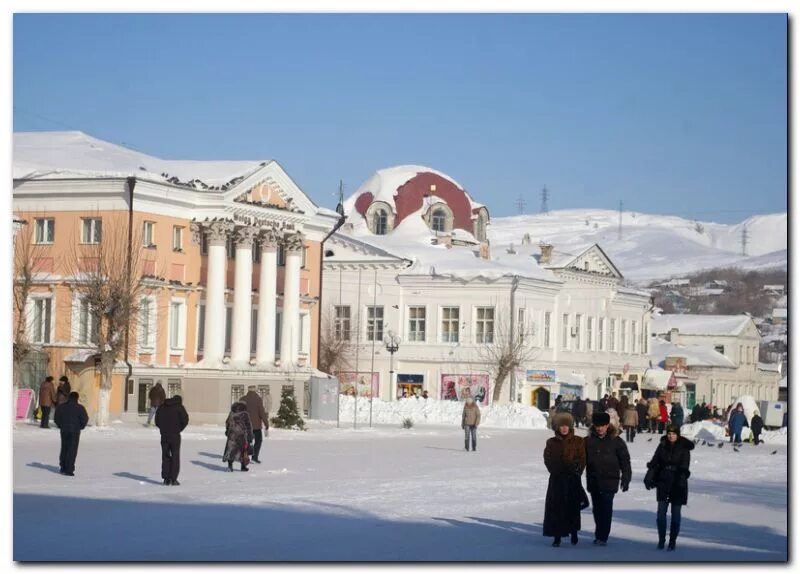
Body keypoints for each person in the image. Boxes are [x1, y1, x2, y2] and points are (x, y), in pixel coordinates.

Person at [585, 411, 631, 546]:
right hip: (594, 480)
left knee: (606, 508)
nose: (600, 429)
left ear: (607, 425)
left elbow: (625, 460)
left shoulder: (616, 441)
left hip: (610, 480)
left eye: (603, 426)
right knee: (597, 509)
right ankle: (599, 532)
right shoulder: (588, 441)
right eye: (597, 426)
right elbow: (580, 459)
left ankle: (602, 536)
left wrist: (626, 477)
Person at [644, 424, 694, 550]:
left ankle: (672, 541)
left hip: (678, 483)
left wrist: (681, 478)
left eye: (673, 434)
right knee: (661, 512)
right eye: (669, 433)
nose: (671, 436)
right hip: (663, 482)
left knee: (675, 513)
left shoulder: (684, 447)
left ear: (678, 435)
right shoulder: (662, 445)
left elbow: (684, 465)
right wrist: (649, 477)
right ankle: (661, 539)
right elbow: (655, 462)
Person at [543, 412, 588, 547]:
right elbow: (548, 458)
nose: (564, 428)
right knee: (556, 508)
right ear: (557, 427)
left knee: (572, 507)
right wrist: (555, 470)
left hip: (572, 479)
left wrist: (576, 471)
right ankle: (557, 536)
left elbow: (582, 458)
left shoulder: (578, 441)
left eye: (566, 426)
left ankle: (573, 532)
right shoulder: (551, 442)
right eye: (561, 426)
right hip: (556, 480)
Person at [155, 395, 189, 485]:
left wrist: (163, 429)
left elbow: (157, 421)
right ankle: (173, 479)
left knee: (165, 456)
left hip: (164, 435)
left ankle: (166, 478)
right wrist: (178, 429)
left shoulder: (162, 406)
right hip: (175, 436)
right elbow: (185, 420)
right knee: (175, 456)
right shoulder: (179, 407)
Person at [53, 391, 88, 476]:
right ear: (77, 398)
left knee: (64, 448)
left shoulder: (61, 407)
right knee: (72, 450)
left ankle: (63, 467)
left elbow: (56, 418)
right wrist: (80, 426)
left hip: (64, 430)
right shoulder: (80, 408)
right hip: (75, 431)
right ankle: (69, 469)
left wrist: (60, 425)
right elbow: (84, 419)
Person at [223, 402, 253, 471]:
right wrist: (250, 435)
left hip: (232, 434)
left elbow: (227, 422)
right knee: (243, 451)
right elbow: (249, 425)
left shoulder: (231, 413)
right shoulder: (245, 414)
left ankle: (230, 466)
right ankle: (243, 467)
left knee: (231, 450)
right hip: (242, 435)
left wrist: (228, 431)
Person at [243, 386, 268, 464]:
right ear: (255, 390)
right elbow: (262, 413)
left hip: (246, 425)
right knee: (258, 441)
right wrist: (266, 423)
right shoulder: (258, 399)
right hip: (256, 426)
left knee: (247, 441)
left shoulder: (243, 399)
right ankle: (255, 456)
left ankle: (245, 456)